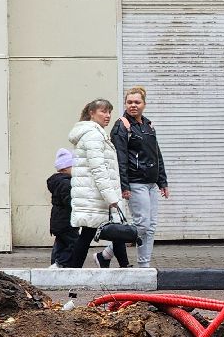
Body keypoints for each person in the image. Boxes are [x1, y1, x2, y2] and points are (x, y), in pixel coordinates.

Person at [99, 85, 168, 269]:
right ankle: (106, 254)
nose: (133, 105)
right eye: (129, 102)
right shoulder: (122, 126)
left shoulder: (148, 124)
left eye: (137, 102)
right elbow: (119, 158)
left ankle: (142, 265)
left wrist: (162, 181)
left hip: (151, 183)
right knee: (142, 225)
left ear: (144, 104)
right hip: (136, 183)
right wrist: (124, 186)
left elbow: (156, 154)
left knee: (150, 226)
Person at [65, 99, 130, 269]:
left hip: (95, 195)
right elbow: (98, 169)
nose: (107, 115)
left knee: (114, 232)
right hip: (95, 196)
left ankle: (124, 267)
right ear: (91, 113)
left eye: (109, 112)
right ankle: (73, 272)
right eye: (103, 111)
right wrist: (112, 197)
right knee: (89, 235)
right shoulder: (93, 135)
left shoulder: (96, 133)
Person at [47, 148, 77, 268]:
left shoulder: (58, 182)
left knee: (60, 243)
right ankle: (61, 263)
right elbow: (69, 202)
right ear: (65, 169)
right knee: (74, 243)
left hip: (58, 221)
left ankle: (55, 263)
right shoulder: (66, 183)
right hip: (66, 221)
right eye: (73, 166)